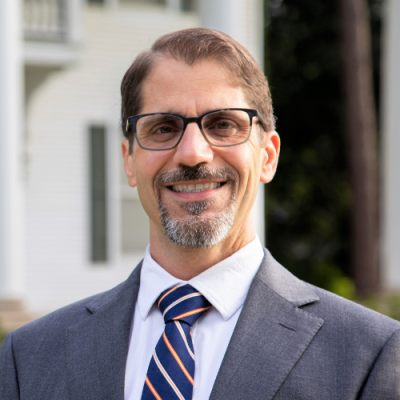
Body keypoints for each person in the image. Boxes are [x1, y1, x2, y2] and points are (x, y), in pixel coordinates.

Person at [1, 28, 399, 400]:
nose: (193, 153)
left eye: (222, 125)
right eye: (163, 128)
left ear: (268, 157)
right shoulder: (30, 357)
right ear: (128, 161)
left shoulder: (368, 356)